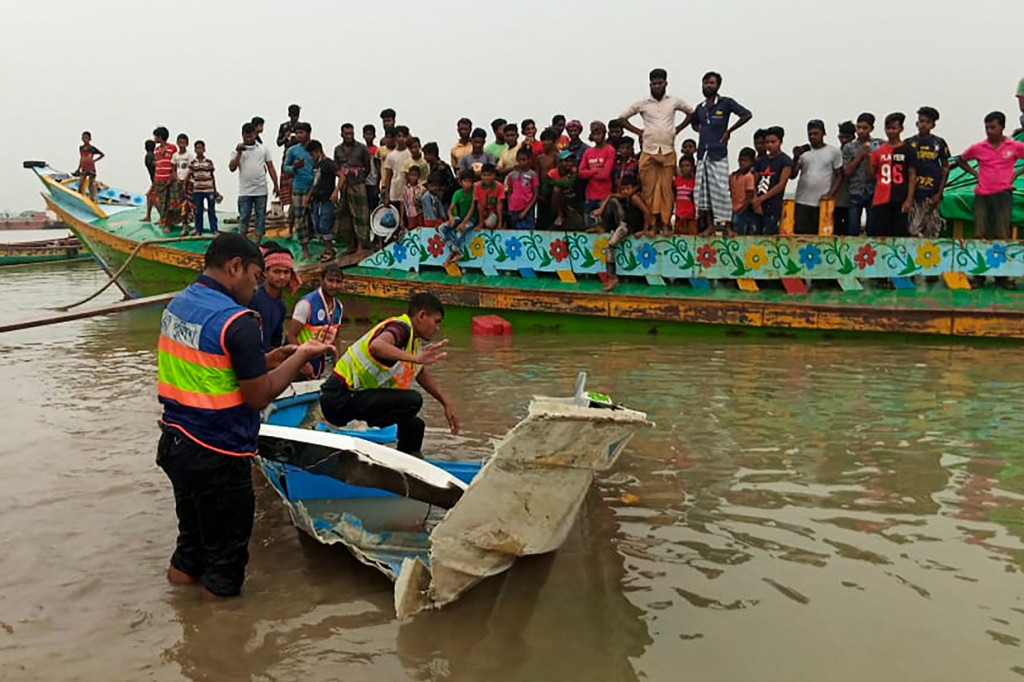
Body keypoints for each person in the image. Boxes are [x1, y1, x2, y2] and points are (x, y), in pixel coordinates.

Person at [157, 233, 334, 599]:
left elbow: (209, 364)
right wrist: (302, 356)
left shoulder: (179, 303)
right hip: (219, 455)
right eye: (255, 277)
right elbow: (259, 397)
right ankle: (219, 632)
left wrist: (266, 360)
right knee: (224, 569)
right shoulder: (238, 320)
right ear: (235, 267)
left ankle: (179, 615)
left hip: (176, 442)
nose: (256, 288)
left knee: (189, 550)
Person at [320, 292, 459, 457]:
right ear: (421, 315)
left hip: (355, 398)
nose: (437, 328)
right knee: (413, 400)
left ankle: (406, 462)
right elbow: (377, 346)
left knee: (415, 425)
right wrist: (416, 358)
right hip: (338, 398)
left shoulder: (413, 341)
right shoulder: (401, 328)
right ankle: (366, 428)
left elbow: (420, 372)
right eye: (436, 322)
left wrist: (445, 402)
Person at [618, 68, 694, 231]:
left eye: (660, 83)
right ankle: (652, 224)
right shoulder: (643, 102)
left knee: (666, 190)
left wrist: (677, 129)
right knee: (649, 190)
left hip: (667, 150)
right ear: (650, 85)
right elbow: (621, 118)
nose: (657, 86)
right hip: (649, 150)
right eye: (654, 84)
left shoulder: (673, 100)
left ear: (665, 83)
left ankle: (665, 224)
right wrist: (638, 131)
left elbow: (691, 112)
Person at [691, 71, 753, 235]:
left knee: (721, 189)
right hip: (703, 154)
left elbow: (746, 114)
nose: (707, 86)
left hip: (718, 153)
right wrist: (704, 131)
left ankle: (727, 226)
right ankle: (710, 225)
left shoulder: (726, 103)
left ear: (718, 85)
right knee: (704, 191)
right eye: (705, 83)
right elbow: (694, 123)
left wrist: (729, 131)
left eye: (711, 83)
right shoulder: (700, 108)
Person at [954, 111, 1024, 243]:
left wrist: (1016, 174)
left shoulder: (1014, 146)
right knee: (979, 232)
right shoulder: (978, 147)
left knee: (1001, 232)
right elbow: (960, 160)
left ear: (1002, 127)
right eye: (987, 127)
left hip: (1003, 192)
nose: (989, 131)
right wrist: (976, 174)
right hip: (982, 193)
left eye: (993, 127)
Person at [594, 176, 653, 291]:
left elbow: (647, 213)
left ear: (634, 188)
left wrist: (643, 231)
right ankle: (605, 227)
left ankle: (612, 278)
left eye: (627, 189)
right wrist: (601, 209)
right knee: (612, 202)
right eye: (623, 189)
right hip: (625, 224)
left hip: (628, 226)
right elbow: (611, 195)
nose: (625, 191)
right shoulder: (627, 197)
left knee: (610, 246)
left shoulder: (635, 197)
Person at [288, 264, 344, 379]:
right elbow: (291, 336)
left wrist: (337, 361)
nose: (334, 285)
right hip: (297, 359)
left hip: (319, 360)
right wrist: (302, 362)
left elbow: (336, 337)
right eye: (330, 280)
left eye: (338, 282)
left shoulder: (338, 307)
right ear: (322, 280)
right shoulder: (306, 304)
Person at [228, 122, 279, 244]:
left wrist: (276, 184)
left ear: (255, 135)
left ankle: (258, 242)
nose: (248, 139)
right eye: (246, 136)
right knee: (244, 217)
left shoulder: (263, 149)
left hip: (261, 189)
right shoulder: (236, 151)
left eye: (250, 136)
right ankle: (242, 242)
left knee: (260, 217)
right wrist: (239, 153)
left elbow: (270, 167)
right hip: (245, 191)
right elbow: (232, 168)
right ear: (242, 135)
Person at [867, 113, 917, 237]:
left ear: (901, 129)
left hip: (900, 197)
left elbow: (912, 175)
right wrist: (867, 157)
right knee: (877, 233)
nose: (891, 131)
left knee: (899, 234)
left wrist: (909, 199)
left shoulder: (909, 150)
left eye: (894, 128)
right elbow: (870, 175)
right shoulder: (878, 151)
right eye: (888, 128)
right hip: (881, 197)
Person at [791, 119, 843, 235]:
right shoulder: (804, 152)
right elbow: (793, 175)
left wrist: (830, 193)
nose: (812, 137)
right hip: (802, 200)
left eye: (815, 134)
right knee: (801, 234)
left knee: (821, 234)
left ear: (823, 134)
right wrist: (795, 157)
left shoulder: (833, 151)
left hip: (822, 201)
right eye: (810, 134)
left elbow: (839, 175)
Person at [906, 107, 951, 239]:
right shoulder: (909, 143)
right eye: (921, 121)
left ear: (933, 125)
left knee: (932, 231)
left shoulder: (939, 143)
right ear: (917, 123)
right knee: (913, 229)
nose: (923, 125)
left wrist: (939, 192)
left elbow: (945, 167)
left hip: (932, 193)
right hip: (915, 194)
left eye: (927, 122)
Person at [249, 242, 300, 353]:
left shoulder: (280, 306)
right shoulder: (253, 298)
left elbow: (275, 342)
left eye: (286, 272)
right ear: (265, 272)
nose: (282, 277)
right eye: (277, 272)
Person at [332, 123, 372, 256]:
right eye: (346, 134)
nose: (349, 136)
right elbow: (336, 168)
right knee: (346, 216)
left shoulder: (361, 148)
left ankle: (361, 246)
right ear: (342, 134)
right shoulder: (338, 149)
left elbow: (367, 166)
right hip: (344, 186)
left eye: (351, 134)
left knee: (361, 216)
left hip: (358, 184)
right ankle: (351, 245)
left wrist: (360, 176)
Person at [842, 113, 883, 236]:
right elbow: (847, 172)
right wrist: (860, 155)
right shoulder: (849, 147)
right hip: (855, 191)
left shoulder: (880, 145)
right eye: (858, 127)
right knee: (853, 228)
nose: (861, 131)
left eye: (864, 128)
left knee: (873, 228)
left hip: (874, 191)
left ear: (871, 129)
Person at [751, 126, 793, 236]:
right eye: (767, 142)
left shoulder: (785, 161)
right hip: (758, 205)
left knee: (768, 234)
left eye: (773, 142)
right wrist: (755, 201)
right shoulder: (760, 161)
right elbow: (753, 182)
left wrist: (761, 199)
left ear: (780, 141)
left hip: (773, 205)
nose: (769, 145)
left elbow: (781, 185)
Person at [282, 123, 313, 249]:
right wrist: (294, 167)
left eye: (301, 133)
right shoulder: (293, 150)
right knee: (300, 218)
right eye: (297, 133)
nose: (299, 135)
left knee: (315, 217)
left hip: (315, 187)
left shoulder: (314, 148)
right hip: (299, 187)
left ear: (308, 133)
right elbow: (285, 167)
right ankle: (304, 248)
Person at [579, 120, 615, 227]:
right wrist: (595, 171)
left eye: (599, 133)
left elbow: (605, 175)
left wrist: (589, 172)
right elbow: (580, 173)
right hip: (590, 195)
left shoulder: (610, 150)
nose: (597, 137)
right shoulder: (588, 152)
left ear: (604, 134)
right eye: (594, 134)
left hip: (604, 195)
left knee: (603, 227)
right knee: (589, 226)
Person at [306, 140, 337, 261]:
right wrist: (309, 196)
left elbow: (342, 176)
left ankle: (329, 250)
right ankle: (327, 249)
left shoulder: (328, 163)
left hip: (327, 198)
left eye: (312, 154)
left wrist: (335, 192)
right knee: (317, 225)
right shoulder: (316, 166)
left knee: (325, 225)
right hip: (316, 198)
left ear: (318, 151)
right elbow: (315, 183)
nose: (311, 157)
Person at [441, 170, 478, 266]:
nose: (467, 184)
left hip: (471, 219)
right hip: (460, 218)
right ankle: (455, 250)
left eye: (469, 181)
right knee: (442, 228)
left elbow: (472, 209)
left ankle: (450, 256)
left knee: (460, 230)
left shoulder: (474, 192)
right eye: (465, 181)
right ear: (460, 182)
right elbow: (450, 208)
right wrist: (451, 217)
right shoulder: (457, 193)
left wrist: (464, 223)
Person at [152, 127, 181, 233]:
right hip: (159, 179)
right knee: (162, 203)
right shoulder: (156, 150)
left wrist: (172, 177)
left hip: (171, 180)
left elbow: (175, 164)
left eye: (155, 136)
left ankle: (171, 222)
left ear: (160, 137)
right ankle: (165, 222)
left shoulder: (172, 148)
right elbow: (158, 164)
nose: (154, 138)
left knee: (172, 203)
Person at [276, 104, 303, 212]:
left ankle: (296, 206)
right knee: (284, 182)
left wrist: (297, 138)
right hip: (287, 156)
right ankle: (284, 207)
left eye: (296, 115)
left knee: (298, 180)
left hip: (299, 156)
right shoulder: (284, 127)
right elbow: (278, 142)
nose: (294, 118)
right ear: (289, 115)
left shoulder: (302, 127)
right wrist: (285, 138)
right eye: (293, 115)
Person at [547, 150, 584, 229]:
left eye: (571, 161)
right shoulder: (552, 173)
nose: (569, 163)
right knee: (556, 189)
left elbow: (569, 183)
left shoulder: (574, 171)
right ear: (560, 162)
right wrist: (561, 181)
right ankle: (559, 215)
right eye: (566, 161)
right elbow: (546, 186)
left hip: (571, 202)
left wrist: (555, 182)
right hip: (555, 204)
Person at [188, 141, 218, 236]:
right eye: (197, 148)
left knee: (211, 210)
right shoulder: (193, 163)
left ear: (204, 149)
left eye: (201, 148)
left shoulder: (208, 162)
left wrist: (215, 190)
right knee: (198, 211)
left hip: (209, 189)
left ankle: (214, 229)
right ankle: (198, 230)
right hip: (197, 190)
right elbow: (190, 176)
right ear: (195, 150)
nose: (199, 150)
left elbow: (212, 176)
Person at [505, 147, 539, 229]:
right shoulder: (512, 175)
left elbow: (535, 194)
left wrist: (525, 211)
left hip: (526, 209)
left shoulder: (532, 175)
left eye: (524, 160)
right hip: (513, 208)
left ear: (529, 160)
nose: (522, 162)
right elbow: (509, 193)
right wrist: (509, 207)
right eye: (519, 160)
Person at [833, 121, 856, 236]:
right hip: (837, 198)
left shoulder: (856, 153)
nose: (844, 140)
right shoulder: (836, 153)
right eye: (841, 137)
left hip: (851, 197)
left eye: (847, 137)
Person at [534, 128, 561, 229]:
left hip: (552, 188)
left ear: (553, 142)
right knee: (541, 216)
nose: (546, 143)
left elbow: (558, 172)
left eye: (549, 140)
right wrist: (538, 190)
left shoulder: (556, 156)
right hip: (542, 189)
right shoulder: (539, 158)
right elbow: (537, 173)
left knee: (552, 213)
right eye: (544, 140)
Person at [383, 126, 412, 209]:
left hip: (408, 191)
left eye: (404, 136)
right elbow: (388, 177)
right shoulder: (390, 156)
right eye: (399, 136)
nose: (401, 139)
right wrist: (387, 196)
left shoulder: (410, 154)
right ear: (395, 138)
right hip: (395, 191)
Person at [729, 147, 757, 235]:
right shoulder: (733, 176)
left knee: (741, 233)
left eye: (746, 161)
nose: (742, 163)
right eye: (741, 160)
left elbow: (749, 197)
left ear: (751, 163)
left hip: (743, 210)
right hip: (733, 209)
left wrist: (741, 210)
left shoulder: (749, 177)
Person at [173, 134, 196, 229]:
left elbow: (191, 170)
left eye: (183, 142)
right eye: (180, 142)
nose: (181, 144)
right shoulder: (175, 155)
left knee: (189, 203)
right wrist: (177, 178)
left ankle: (191, 222)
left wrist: (185, 181)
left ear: (187, 144)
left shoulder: (189, 156)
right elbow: (173, 168)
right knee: (180, 203)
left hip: (188, 182)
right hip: (179, 181)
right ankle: (183, 223)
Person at [423, 142, 456, 206]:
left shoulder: (443, 168)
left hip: (445, 200)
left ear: (432, 154)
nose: (424, 157)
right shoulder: (431, 167)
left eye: (425, 154)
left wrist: (441, 191)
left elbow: (451, 184)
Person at [474, 163, 505, 230]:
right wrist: (481, 222)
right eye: (484, 175)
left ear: (494, 175)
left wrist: (500, 223)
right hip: (481, 212)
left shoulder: (499, 186)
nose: (487, 178)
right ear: (481, 175)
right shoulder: (477, 186)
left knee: (489, 224)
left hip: (493, 211)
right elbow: (479, 205)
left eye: (489, 175)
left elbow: (499, 205)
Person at [673, 155, 697, 235]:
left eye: (687, 166)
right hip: (679, 217)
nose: (684, 168)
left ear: (692, 167)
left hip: (691, 218)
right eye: (682, 166)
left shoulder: (695, 182)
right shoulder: (676, 181)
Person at [76, 131, 104, 202]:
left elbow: (102, 154)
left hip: (91, 168)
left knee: (91, 184)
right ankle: (79, 196)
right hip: (84, 167)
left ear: (89, 139)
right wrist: (78, 168)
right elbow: (81, 158)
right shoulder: (81, 148)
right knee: (81, 182)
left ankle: (93, 198)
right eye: (83, 138)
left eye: (86, 138)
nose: (84, 139)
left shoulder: (92, 148)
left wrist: (94, 160)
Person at [400, 165, 426, 230]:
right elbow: (402, 204)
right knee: (412, 230)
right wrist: (401, 218)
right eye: (411, 175)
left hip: (420, 214)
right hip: (410, 215)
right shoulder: (405, 190)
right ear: (408, 176)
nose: (413, 178)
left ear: (418, 176)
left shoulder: (422, 189)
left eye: (415, 175)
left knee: (421, 230)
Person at [363, 124, 381, 212]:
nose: (368, 137)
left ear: (374, 136)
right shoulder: (362, 150)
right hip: (364, 182)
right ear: (363, 135)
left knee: (374, 207)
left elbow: (378, 168)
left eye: (370, 134)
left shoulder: (377, 150)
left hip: (373, 182)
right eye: (366, 134)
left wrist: (377, 184)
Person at [144, 139, 156, 222]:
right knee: (150, 197)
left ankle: (163, 217)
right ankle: (148, 216)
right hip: (154, 180)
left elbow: (153, 169)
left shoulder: (149, 156)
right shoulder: (153, 155)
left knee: (152, 196)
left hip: (155, 180)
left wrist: (154, 183)